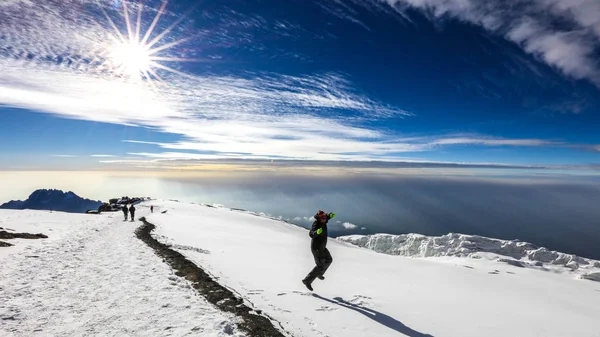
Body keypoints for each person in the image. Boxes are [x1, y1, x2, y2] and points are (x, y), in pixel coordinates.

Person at [302, 210, 335, 291]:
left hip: (322, 247)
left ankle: (319, 274)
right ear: (319, 218)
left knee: (329, 260)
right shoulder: (316, 224)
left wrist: (330, 215)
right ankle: (307, 281)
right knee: (320, 266)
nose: (324, 219)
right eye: (322, 218)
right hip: (316, 248)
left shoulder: (324, 219)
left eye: (324, 217)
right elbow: (311, 233)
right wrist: (316, 232)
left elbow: (327, 216)